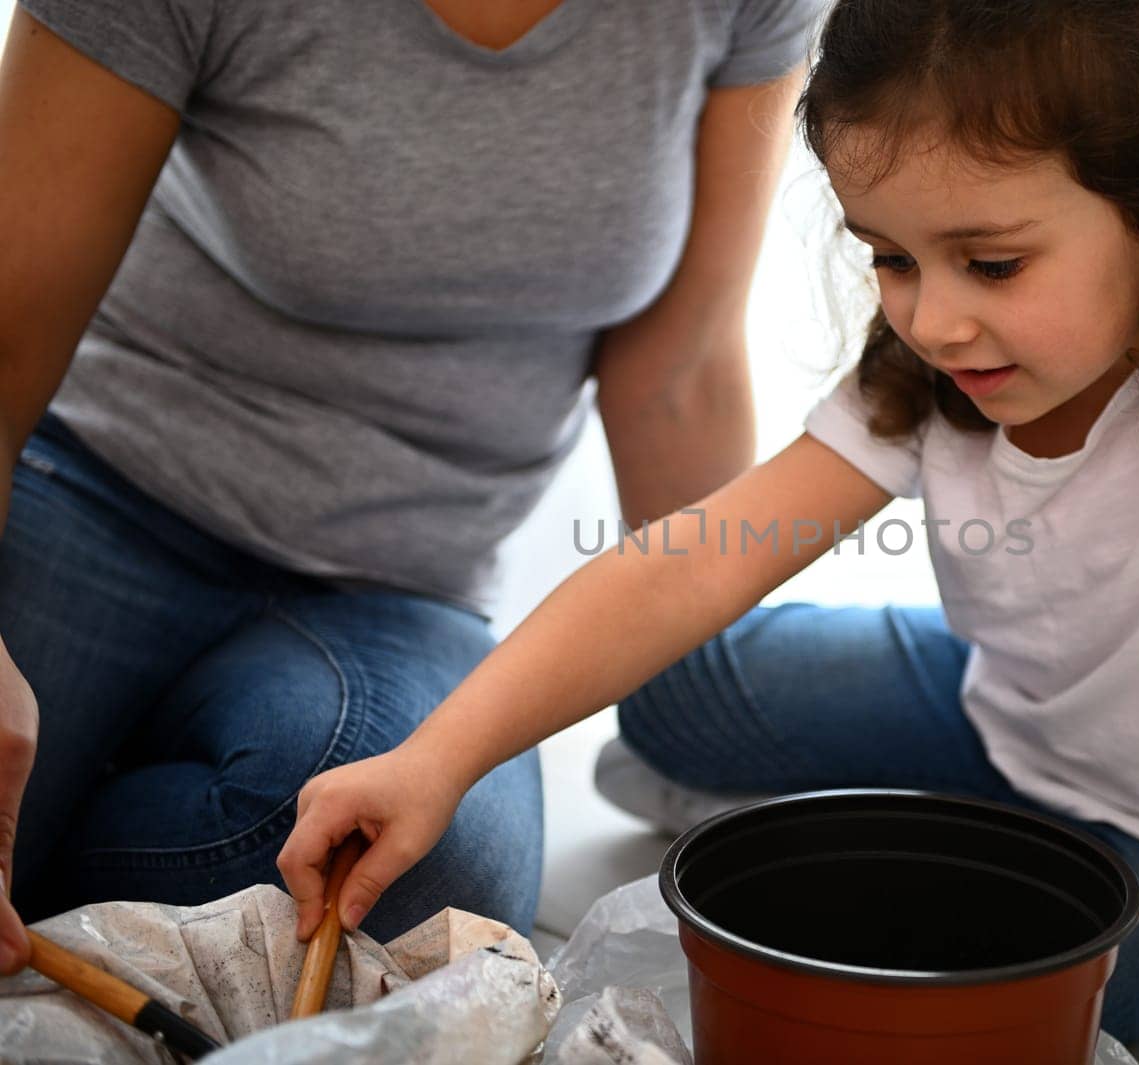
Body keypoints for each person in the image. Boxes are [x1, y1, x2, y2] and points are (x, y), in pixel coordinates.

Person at [277, 1, 1139, 1059]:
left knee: (944, 1011)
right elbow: (690, 561)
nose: (930, 321)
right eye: (888, 256)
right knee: (669, 692)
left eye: (988, 265)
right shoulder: (935, 368)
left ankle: (921, 824)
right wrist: (435, 759)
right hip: (1006, 707)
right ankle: (908, 793)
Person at [0, 0, 825, 973]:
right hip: (89, 492)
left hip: (399, 583)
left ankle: (64, 827)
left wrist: (711, 691)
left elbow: (678, 375)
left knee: (422, 887)